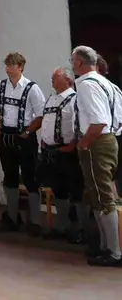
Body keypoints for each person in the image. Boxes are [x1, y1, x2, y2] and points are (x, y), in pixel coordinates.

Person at [71, 45, 122, 266]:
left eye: (72, 60)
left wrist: (83, 143)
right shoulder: (107, 83)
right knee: (97, 195)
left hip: (97, 142)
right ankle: (104, 245)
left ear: (79, 62)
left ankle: (114, 251)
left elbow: (99, 121)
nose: (71, 64)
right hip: (109, 140)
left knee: (102, 196)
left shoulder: (87, 86)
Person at [0, 52, 46, 232]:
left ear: (20, 66)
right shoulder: (0, 86)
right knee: (10, 177)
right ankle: (13, 217)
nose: (7, 68)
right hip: (6, 136)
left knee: (30, 178)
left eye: (11, 65)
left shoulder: (32, 88)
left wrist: (28, 131)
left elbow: (40, 115)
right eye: (6, 65)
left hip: (25, 138)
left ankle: (35, 221)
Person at [32, 66, 85, 242]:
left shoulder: (75, 99)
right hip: (51, 152)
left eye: (56, 77)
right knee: (58, 190)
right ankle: (62, 226)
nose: (52, 79)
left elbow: (80, 125)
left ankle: (79, 229)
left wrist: (73, 146)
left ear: (67, 80)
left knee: (75, 190)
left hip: (67, 152)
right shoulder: (52, 98)